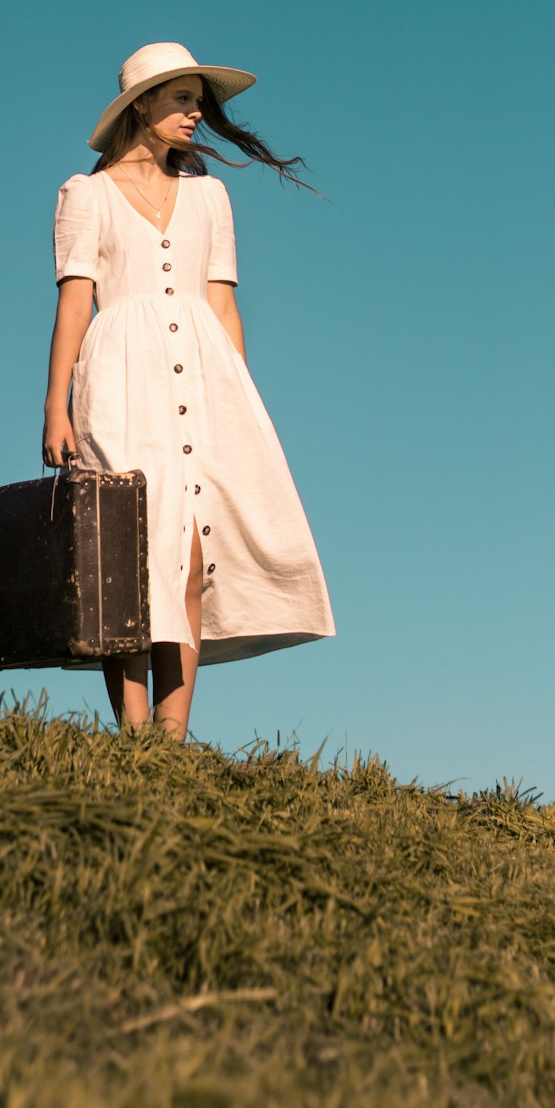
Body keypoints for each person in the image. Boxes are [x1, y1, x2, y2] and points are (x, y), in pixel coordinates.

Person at [42, 42, 335, 740]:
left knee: (195, 551)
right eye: (181, 98)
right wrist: (56, 405)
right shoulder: (86, 195)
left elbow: (225, 306)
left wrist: (239, 400)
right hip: (117, 381)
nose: (196, 112)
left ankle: (172, 737)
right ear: (141, 105)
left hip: (206, 383)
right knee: (127, 549)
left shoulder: (211, 196)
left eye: (198, 99)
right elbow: (75, 306)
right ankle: (134, 732)